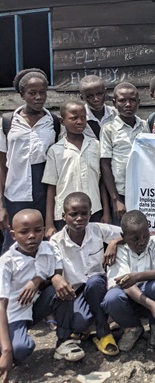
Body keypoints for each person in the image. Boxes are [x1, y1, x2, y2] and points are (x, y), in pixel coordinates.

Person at [0, 209, 75, 378]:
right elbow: (1, 305)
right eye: (24, 232)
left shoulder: (48, 248)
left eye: (37, 230)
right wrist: (6, 350)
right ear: (13, 235)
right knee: (21, 349)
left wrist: (39, 280)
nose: (32, 236)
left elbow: (55, 270)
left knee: (63, 288)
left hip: (33, 308)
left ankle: (64, 340)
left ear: (43, 230)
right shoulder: (6, 263)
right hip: (12, 314)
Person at [50, 192, 122, 357]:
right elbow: (57, 269)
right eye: (73, 214)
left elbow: (129, 232)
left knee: (95, 281)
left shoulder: (97, 229)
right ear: (63, 216)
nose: (79, 218)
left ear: (90, 214)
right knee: (79, 323)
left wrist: (113, 242)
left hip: (97, 287)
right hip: (76, 291)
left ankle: (103, 333)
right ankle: (90, 325)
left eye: (84, 213)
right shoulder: (56, 241)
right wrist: (56, 277)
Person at [0, 69, 60, 253]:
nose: (38, 97)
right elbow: (1, 166)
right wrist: (1, 205)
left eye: (42, 92)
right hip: (15, 192)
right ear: (22, 94)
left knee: (44, 243)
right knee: (14, 244)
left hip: (45, 192)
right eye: (32, 93)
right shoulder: (8, 122)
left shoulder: (54, 123)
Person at [101, 210, 155, 351]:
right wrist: (151, 304)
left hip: (153, 299)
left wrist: (137, 276)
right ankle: (132, 328)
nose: (142, 242)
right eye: (135, 239)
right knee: (111, 298)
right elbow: (125, 285)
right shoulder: (118, 251)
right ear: (123, 237)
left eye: (145, 236)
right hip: (129, 301)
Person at [43, 101, 110, 238]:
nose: (80, 121)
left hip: (94, 211)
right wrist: (49, 223)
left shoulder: (96, 146)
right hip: (65, 214)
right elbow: (51, 188)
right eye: (74, 118)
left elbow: (102, 182)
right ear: (62, 121)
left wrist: (106, 213)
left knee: (94, 251)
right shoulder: (55, 151)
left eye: (83, 117)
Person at [100, 82, 148, 225]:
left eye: (132, 100)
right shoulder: (109, 129)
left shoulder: (145, 126)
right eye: (122, 100)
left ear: (138, 103)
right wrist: (116, 200)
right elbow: (105, 165)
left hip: (143, 191)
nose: (128, 104)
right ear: (115, 103)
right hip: (121, 192)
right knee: (122, 234)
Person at [78, 75, 116, 140]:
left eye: (99, 94)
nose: (96, 99)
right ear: (82, 97)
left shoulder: (115, 114)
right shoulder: (79, 119)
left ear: (105, 92)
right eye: (90, 96)